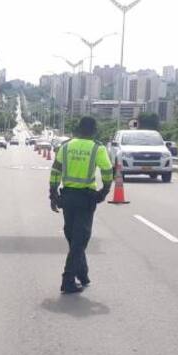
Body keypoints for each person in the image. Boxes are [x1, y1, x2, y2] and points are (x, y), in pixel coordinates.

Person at [49, 116, 114, 294]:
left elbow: (55, 170)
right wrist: (105, 190)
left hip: (68, 198)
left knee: (73, 237)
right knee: (79, 240)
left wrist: (52, 194)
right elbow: (108, 170)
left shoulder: (66, 146)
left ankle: (82, 274)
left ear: (78, 129)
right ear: (94, 131)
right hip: (86, 199)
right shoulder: (97, 148)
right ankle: (68, 280)